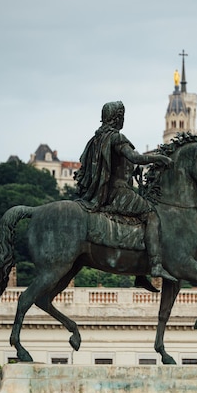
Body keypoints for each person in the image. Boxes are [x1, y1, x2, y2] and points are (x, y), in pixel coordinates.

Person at [74, 101, 177, 285]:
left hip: (102, 192)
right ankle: (155, 265)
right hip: (118, 192)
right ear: (117, 118)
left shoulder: (96, 139)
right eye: (121, 116)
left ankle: (139, 272)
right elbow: (135, 157)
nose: (123, 119)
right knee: (152, 215)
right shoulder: (115, 137)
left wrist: (131, 172)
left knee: (137, 221)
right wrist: (159, 158)